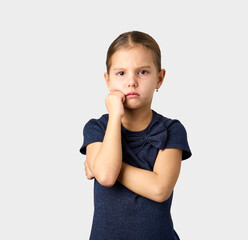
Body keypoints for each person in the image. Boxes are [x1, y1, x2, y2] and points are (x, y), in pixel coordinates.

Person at [79, 31, 192, 240]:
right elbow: (105, 176)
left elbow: (159, 189)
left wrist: (99, 163)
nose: (131, 81)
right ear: (107, 80)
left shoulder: (172, 130)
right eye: (121, 73)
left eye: (142, 72)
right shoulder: (97, 128)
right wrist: (115, 116)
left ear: (160, 78)